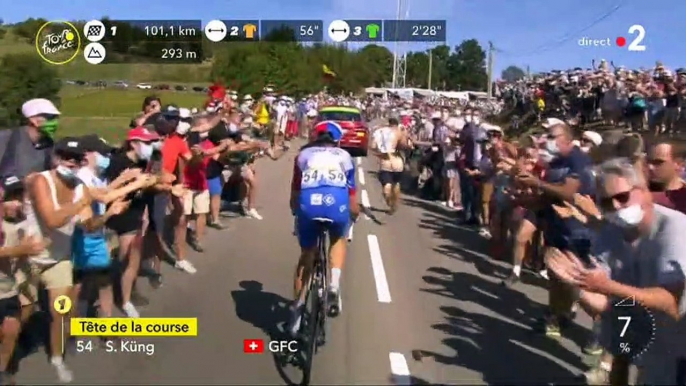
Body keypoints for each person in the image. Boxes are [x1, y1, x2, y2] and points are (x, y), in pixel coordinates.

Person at [546, 157, 686, 385]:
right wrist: (578, 286)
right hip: (639, 322)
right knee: (620, 354)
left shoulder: (674, 229)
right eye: (606, 203)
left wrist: (606, 287)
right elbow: (605, 304)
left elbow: (671, 303)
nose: (616, 207)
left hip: (677, 338)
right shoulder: (611, 231)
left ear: (642, 191)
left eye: (622, 197)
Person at [24, 137, 96, 382]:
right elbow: (52, 219)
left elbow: (89, 225)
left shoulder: (80, 188)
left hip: (59, 259)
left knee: (62, 310)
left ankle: (57, 358)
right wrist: (80, 205)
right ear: (56, 158)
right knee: (21, 312)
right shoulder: (41, 181)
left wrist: (108, 214)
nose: (71, 163)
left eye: (76, 159)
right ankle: (10, 351)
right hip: (28, 255)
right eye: (66, 157)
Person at [288, 121, 360, 336]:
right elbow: (353, 198)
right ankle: (334, 285)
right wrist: (353, 217)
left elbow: (294, 194)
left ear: (313, 138)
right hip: (336, 203)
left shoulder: (302, 155)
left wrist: (297, 214)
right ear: (337, 141)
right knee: (339, 237)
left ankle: (298, 310)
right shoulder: (345, 157)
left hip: (309, 205)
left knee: (306, 255)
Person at [0, 175, 50, 384]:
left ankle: (3, 371)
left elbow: (20, 256)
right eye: (11, 198)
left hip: (8, 289)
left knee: (11, 330)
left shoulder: (21, 223)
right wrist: (22, 249)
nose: (17, 203)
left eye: (19, 198)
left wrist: (29, 253)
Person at [0, 98, 60, 181]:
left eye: (56, 117)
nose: (54, 121)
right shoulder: (6, 138)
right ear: (32, 119)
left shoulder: (49, 144)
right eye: (50, 117)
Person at [371, 117, 411, 214]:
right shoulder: (399, 132)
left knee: (387, 184)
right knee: (396, 183)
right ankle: (394, 203)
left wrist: (379, 153)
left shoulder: (379, 132)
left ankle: (389, 201)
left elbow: (372, 146)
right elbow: (405, 145)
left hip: (386, 160)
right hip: (397, 159)